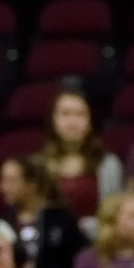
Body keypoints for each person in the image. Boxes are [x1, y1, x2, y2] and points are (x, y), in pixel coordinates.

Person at [42, 90, 122, 222]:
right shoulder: (40, 164)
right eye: (65, 114)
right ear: (52, 120)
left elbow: (112, 219)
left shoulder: (108, 164)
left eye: (80, 114)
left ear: (90, 121)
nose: (72, 121)